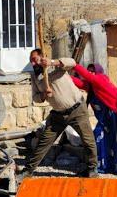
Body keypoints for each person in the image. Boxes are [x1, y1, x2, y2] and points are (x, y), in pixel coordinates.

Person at [18, 49, 98, 180]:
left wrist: (52, 62)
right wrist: (44, 94)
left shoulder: (57, 67)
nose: (33, 63)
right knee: (44, 142)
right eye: (31, 60)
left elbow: (72, 62)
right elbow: (36, 98)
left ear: (43, 57)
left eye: (35, 59)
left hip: (77, 109)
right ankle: (28, 171)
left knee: (88, 140)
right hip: (58, 115)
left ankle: (92, 169)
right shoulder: (35, 76)